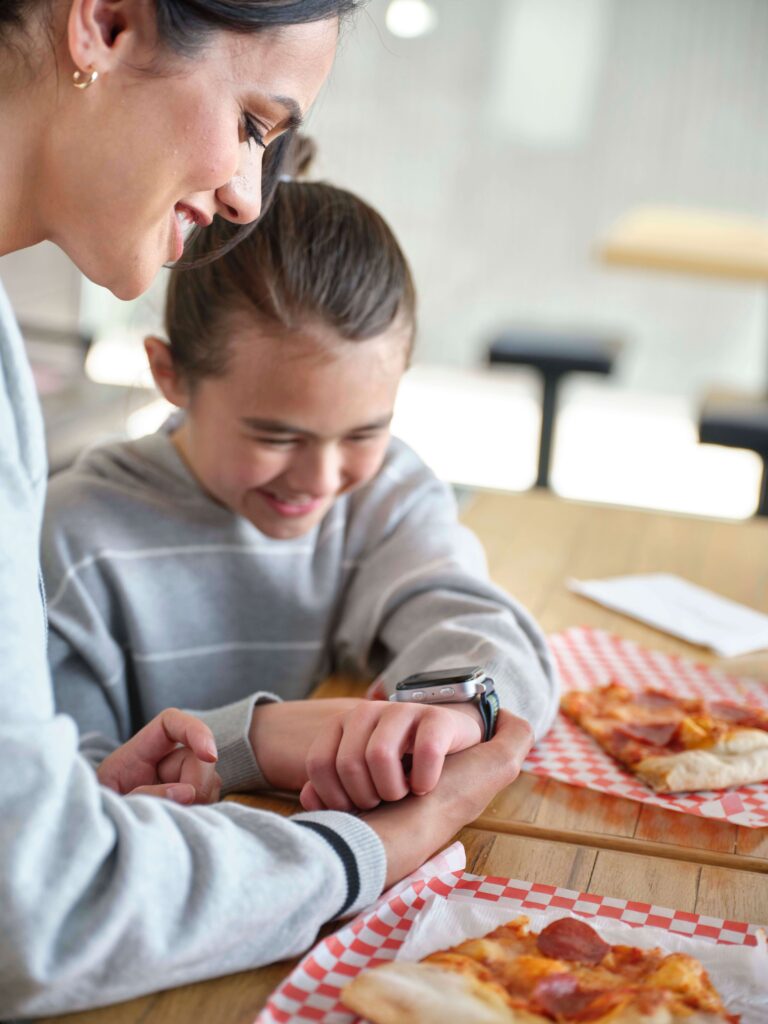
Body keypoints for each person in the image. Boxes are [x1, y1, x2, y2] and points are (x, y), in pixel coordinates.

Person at [0, 0, 536, 1017]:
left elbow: (46, 828)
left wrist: (445, 710)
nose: (249, 197)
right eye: (251, 123)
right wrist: (352, 829)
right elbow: (40, 895)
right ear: (106, 22)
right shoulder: (75, 527)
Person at [43, 171, 559, 815]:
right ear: (169, 374)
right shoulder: (71, 536)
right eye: (276, 436)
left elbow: (494, 639)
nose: (321, 479)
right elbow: (57, 800)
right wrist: (252, 741)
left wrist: (454, 713)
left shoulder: (386, 491)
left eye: (363, 432)